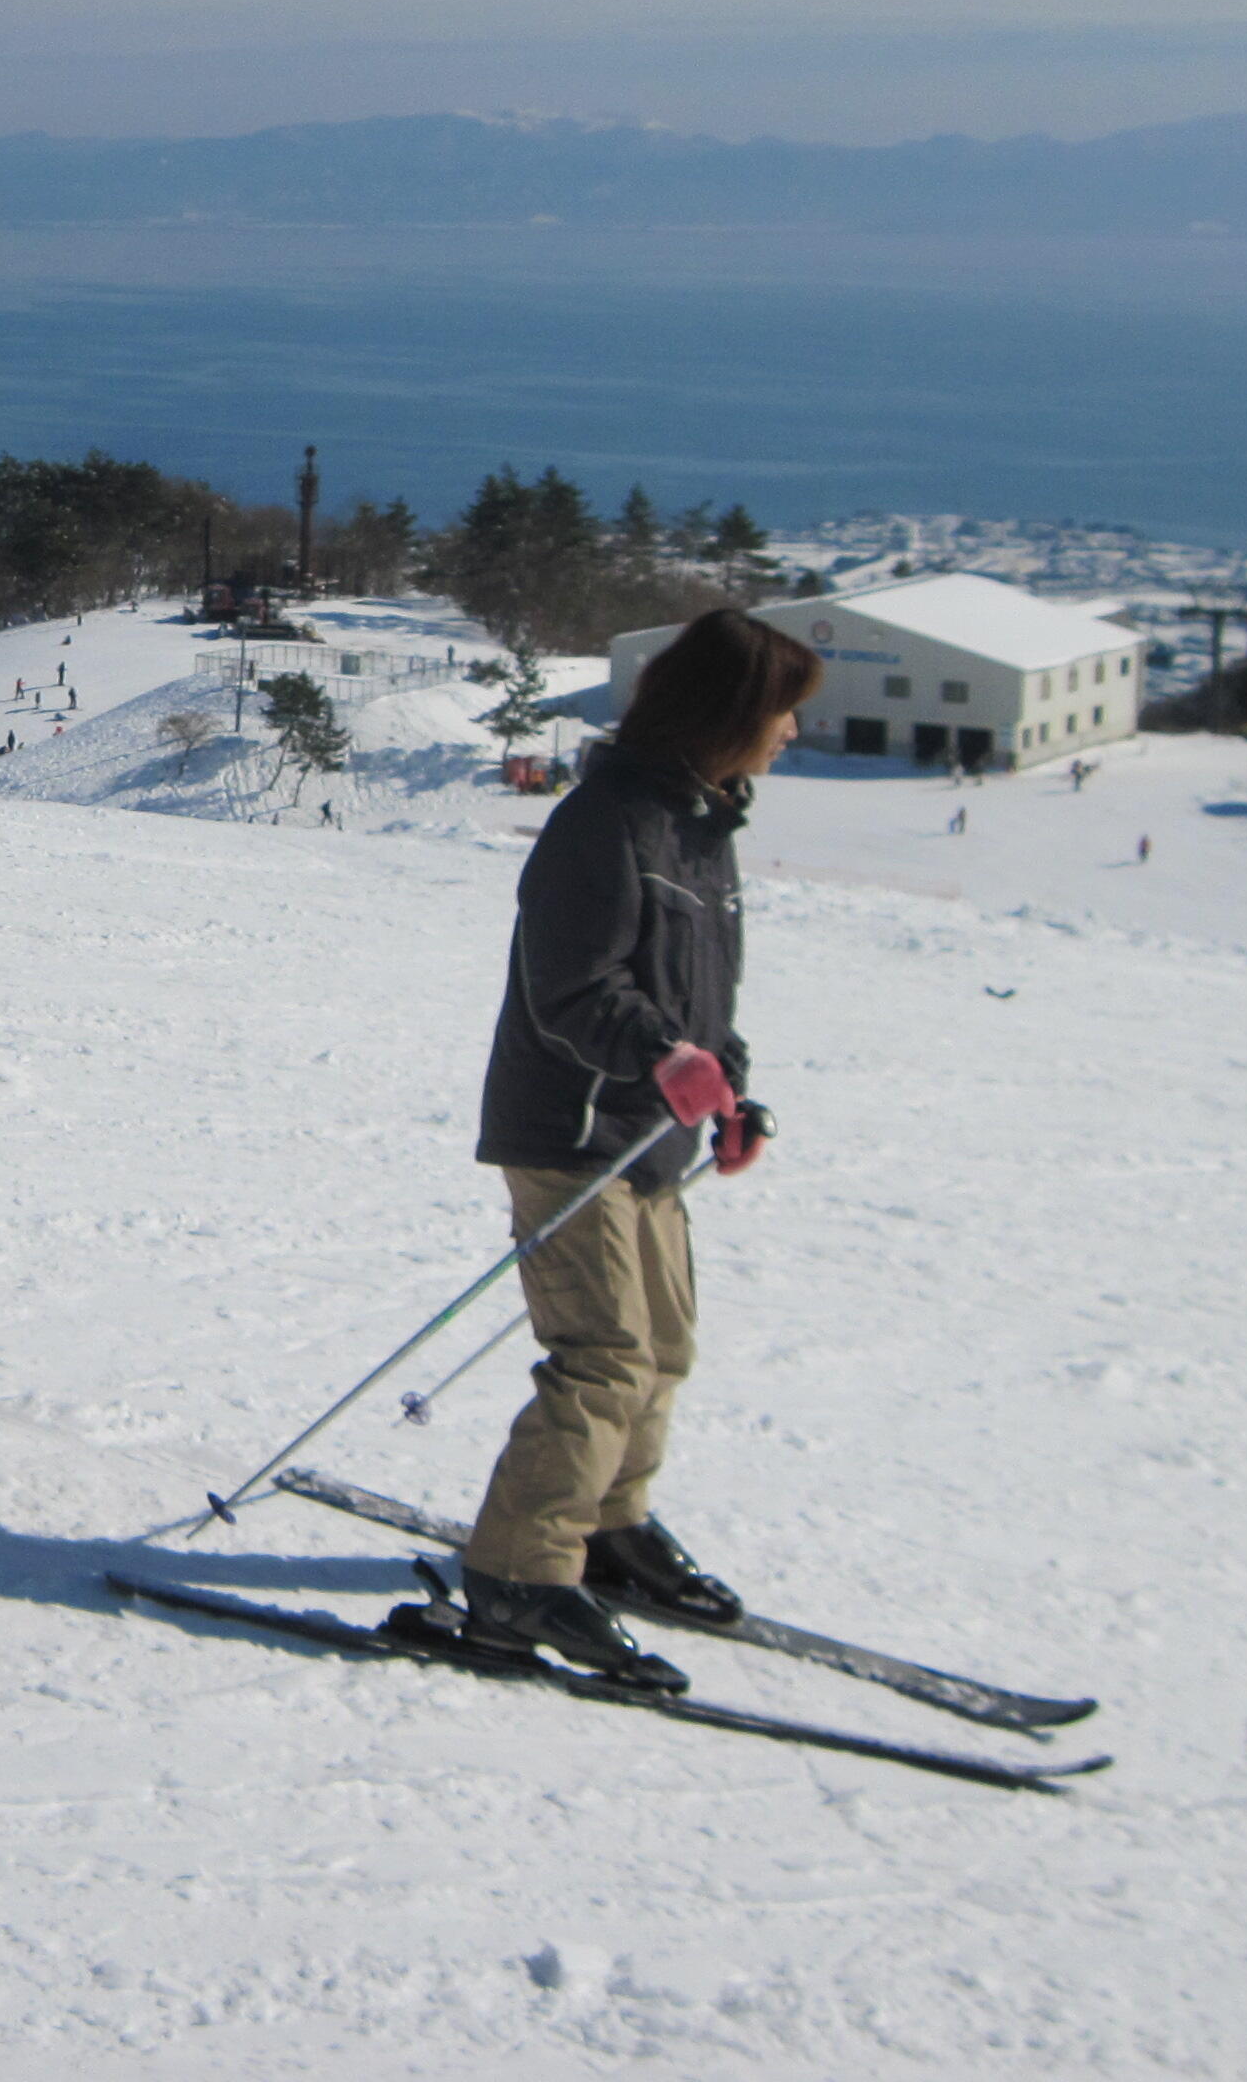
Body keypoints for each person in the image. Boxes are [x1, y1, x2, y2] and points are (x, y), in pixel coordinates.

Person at [453, 604, 819, 1686]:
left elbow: (703, 998)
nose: (791, 735)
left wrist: (726, 1093)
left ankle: (609, 1529)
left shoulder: (700, 827)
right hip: (571, 1131)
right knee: (603, 1355)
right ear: (727, 714)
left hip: (647, 1137)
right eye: (782, 714)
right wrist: (665, 1057)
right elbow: (571, 988)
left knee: (661, 1349)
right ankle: (520, 1578)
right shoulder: (603, 821)